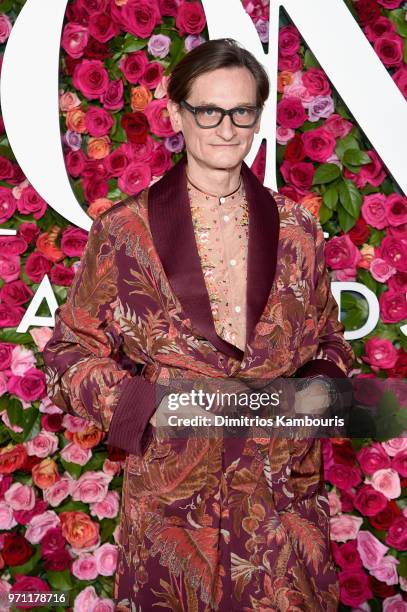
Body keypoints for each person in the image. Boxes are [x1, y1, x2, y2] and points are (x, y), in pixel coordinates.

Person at [43, 38, 355, 611]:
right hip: (174, 506)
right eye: (208, 110)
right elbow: (68, 350)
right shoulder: (124, 230)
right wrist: (143, 406)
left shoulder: (297, 230)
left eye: (242, 112)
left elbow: (330, 340)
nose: (226, 128)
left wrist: (320, 388)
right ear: (176, 113)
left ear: (259, 117)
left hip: (279, 500)